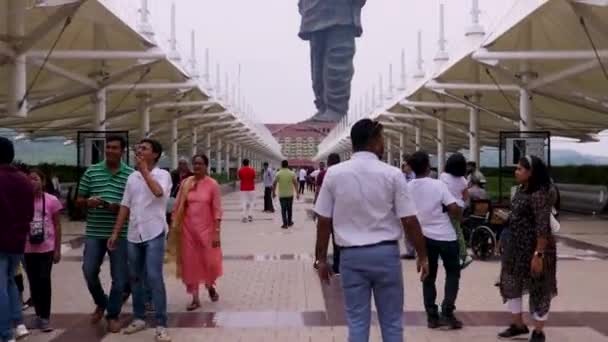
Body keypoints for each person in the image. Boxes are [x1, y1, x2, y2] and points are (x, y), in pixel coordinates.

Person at [314, 119, 429, 342]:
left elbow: (323, 221)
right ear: (374, 142)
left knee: (357, 322)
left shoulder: (335, 174)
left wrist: (320, 259)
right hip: (385, 256)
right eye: (382, 138)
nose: (383, 143)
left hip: (351, 258)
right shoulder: (392, 174)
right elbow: (409, 220)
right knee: (392, 323)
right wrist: (423, 256)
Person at [108, 139, 172, 342]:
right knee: (134, 277)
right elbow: (125, 206)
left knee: (153, 277)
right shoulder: (131, 178)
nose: (139, 151)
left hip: (154, 231)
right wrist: (116, 232)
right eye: (138, 148)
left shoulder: (163, 175)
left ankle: (161, 324)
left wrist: (144, 171)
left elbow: (158, 192)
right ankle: (139, 317)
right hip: (134, 233)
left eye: (144, 148)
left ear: (155, 154)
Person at [497, 156, 557, 342]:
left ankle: (538, 331)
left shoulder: (539, 195)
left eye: (520, 169)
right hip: (516, 249)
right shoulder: (521, 191)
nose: (516, 172)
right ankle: (518, 324)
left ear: (531, 173)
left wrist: (538, 255)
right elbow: (518, 217)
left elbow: (542, 228)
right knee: (510, 283)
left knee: (539, 289)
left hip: (534, 250)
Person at [77, 135, 133, 333]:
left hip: (121, 234)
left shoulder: (131, 175)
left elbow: (136, 206)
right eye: (107, 147)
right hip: (94, 232)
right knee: (89, 270)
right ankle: (102, 301)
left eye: (114, 148)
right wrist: (87, 202)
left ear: (122, 151)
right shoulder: (92, 172)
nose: (110, 151)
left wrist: (119, 208)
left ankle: (113, 314)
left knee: (119, 277)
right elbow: (79, 199)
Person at [408, 151, 463, 330]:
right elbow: (453, 208)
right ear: (427, 166)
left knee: (428, 277)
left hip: (424, 239)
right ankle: (448, 311)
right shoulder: (438, 185)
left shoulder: (408, 188)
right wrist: (457, 214)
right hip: (446, 236)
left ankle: (432, 316)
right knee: (453, 273)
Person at [168, 154, 223, 311]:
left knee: (209, 262)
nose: (197, 166)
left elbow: (217, 209)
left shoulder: (212, 184)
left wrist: (217, 232)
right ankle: (195, 298)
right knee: (190, 264)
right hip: (188, 231)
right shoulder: (186, 183)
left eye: (200, 164)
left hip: (207, 230)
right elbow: (178, 205)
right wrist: (174, 225)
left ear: (206, 166)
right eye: (195, 164)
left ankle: (209, 285)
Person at [298, 0, 367, 122]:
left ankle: (336, 109)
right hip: (314, 11)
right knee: (317, 65)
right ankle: (323, 108)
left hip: (341, 11)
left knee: (337, 59)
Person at [0, 137, 34, 342]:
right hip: (18, 241)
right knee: (11, 281)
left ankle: (5, 334)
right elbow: (29, 212)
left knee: (1, 288)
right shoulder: (24, 179)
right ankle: (19, 323)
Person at [23, 169, 63, 332]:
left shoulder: (52, 200)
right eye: (30, 179)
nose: (32, 182)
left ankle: (45, 317)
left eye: (36, 179)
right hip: (27, 248)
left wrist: (57, 249)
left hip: (47, 248)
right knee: (33, 282)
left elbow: (58, 225)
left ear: (43, 182)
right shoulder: (22, 200)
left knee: (44, 280)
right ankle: (39, 314)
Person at [439, 153, 473, 269]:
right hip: (458, 208)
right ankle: (460, 254)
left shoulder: (443, 176)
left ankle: (463, 255)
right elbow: (466, 195)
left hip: (446, 207)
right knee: (457, 229)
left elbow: (440, 192)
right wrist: (460, 202)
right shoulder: (463, 180)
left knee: (449, 230)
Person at [313, 154, 342, 275]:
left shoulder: (323, 174)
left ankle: (318, 260)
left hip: (325, 210)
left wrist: (316, 204)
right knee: (337, 239)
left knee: (321, 235)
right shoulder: (344, 174)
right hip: (339, 211)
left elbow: (318, 190)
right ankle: (337, 265)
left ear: (328, 162)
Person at [273, 160, 300, 229]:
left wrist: (273, 192)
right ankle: (290, 222)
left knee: (283, 209)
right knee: (289, 209)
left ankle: (285, 224)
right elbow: (295, 183)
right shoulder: (292, 173)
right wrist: (297, 193)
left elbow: (274, 183)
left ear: (281, 165)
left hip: (282, 195)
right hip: (290, 194)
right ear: (288, 165)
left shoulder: (278, 173)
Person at [400, 155, 417, 260]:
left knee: (414, 229)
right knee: (407, 230)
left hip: (415, 205)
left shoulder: (415, 176)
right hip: (406, 206)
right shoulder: (401, 176)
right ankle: (410, 252)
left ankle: (415, 251)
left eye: (405, 165)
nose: (403, 167)